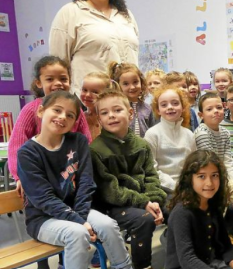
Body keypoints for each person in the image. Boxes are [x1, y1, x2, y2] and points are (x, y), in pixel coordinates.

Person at [17, 91, 132, 269]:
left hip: (78, 209)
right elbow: (43, 198)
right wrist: (80, 222)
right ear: (41, 111)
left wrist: (80, 216)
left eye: (70, 115)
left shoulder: (78, 141)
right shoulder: (27, 153)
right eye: (57, 110)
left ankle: (124, 266)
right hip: (42, 220)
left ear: (74, 122)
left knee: (108, 225)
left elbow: (86, 183)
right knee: (77, 233)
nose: (62, 117)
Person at [90, 90, 166, 269]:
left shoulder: (141, 145)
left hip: (141, 201)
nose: (112, 116)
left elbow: (151, 177)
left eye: (117, 110)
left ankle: (181, 257)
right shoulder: (96, 150)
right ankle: (143, 265)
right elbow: (110, 191)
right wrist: (145, 202)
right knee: (144, 219)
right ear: (99, 120)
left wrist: (154, 200)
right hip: (112, 206)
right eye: (105, 113)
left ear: (130, 114)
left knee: (178, 207)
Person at [8, 56, 91, 197]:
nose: (58, 83)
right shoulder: (30, 110)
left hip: (71, 176)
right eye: (50, 79)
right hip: (42, 177)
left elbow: (87, 141)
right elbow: (17, 146)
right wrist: (20, 176)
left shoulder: (76, 110)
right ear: (39, 83)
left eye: (63, 79)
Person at [50, 0, 139, 96]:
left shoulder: (126, 15)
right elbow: (57, 65)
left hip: (125, 102)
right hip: (89, 103)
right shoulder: (70, 12)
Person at [166, 150, 233, 269]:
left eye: (214, 175)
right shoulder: (181, 213)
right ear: (190, 179)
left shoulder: (213, 204)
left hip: (211, 263)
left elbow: (225, 243)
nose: (209, 183)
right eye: (201, 176)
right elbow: (187, 259)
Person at [194, 93, 233, 201]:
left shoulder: (225, 132)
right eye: (209, 109)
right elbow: (210, 165)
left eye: (219, 107)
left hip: (224, 173)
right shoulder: (202, 133)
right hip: (211, 177)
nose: (216, 111)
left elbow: (228, 160)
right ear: (201, 115)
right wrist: (230, 181)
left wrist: (232, 178)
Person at [145, 86, 196, 191]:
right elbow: (151, 169)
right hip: (162, 188)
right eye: (164, 105)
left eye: (175, 103)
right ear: (158, 110)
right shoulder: (152, 134)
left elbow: (194, 164)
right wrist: (174, 186)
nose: (170, 107)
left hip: (187, 187)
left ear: (183, 107)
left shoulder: (189, 134)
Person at [109, 61, 155, 137]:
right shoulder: (116, 108)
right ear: (118, 85)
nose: (132, 87)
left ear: (141, 82)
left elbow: (153, 131)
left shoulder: (148, 108)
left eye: (135, 82)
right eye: (126, 84)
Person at [80, 72, 120, 140]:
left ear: (107, 94)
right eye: (84, 90)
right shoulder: (79, 118)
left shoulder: (111, 119)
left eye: (95, 92)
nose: (87, 95)